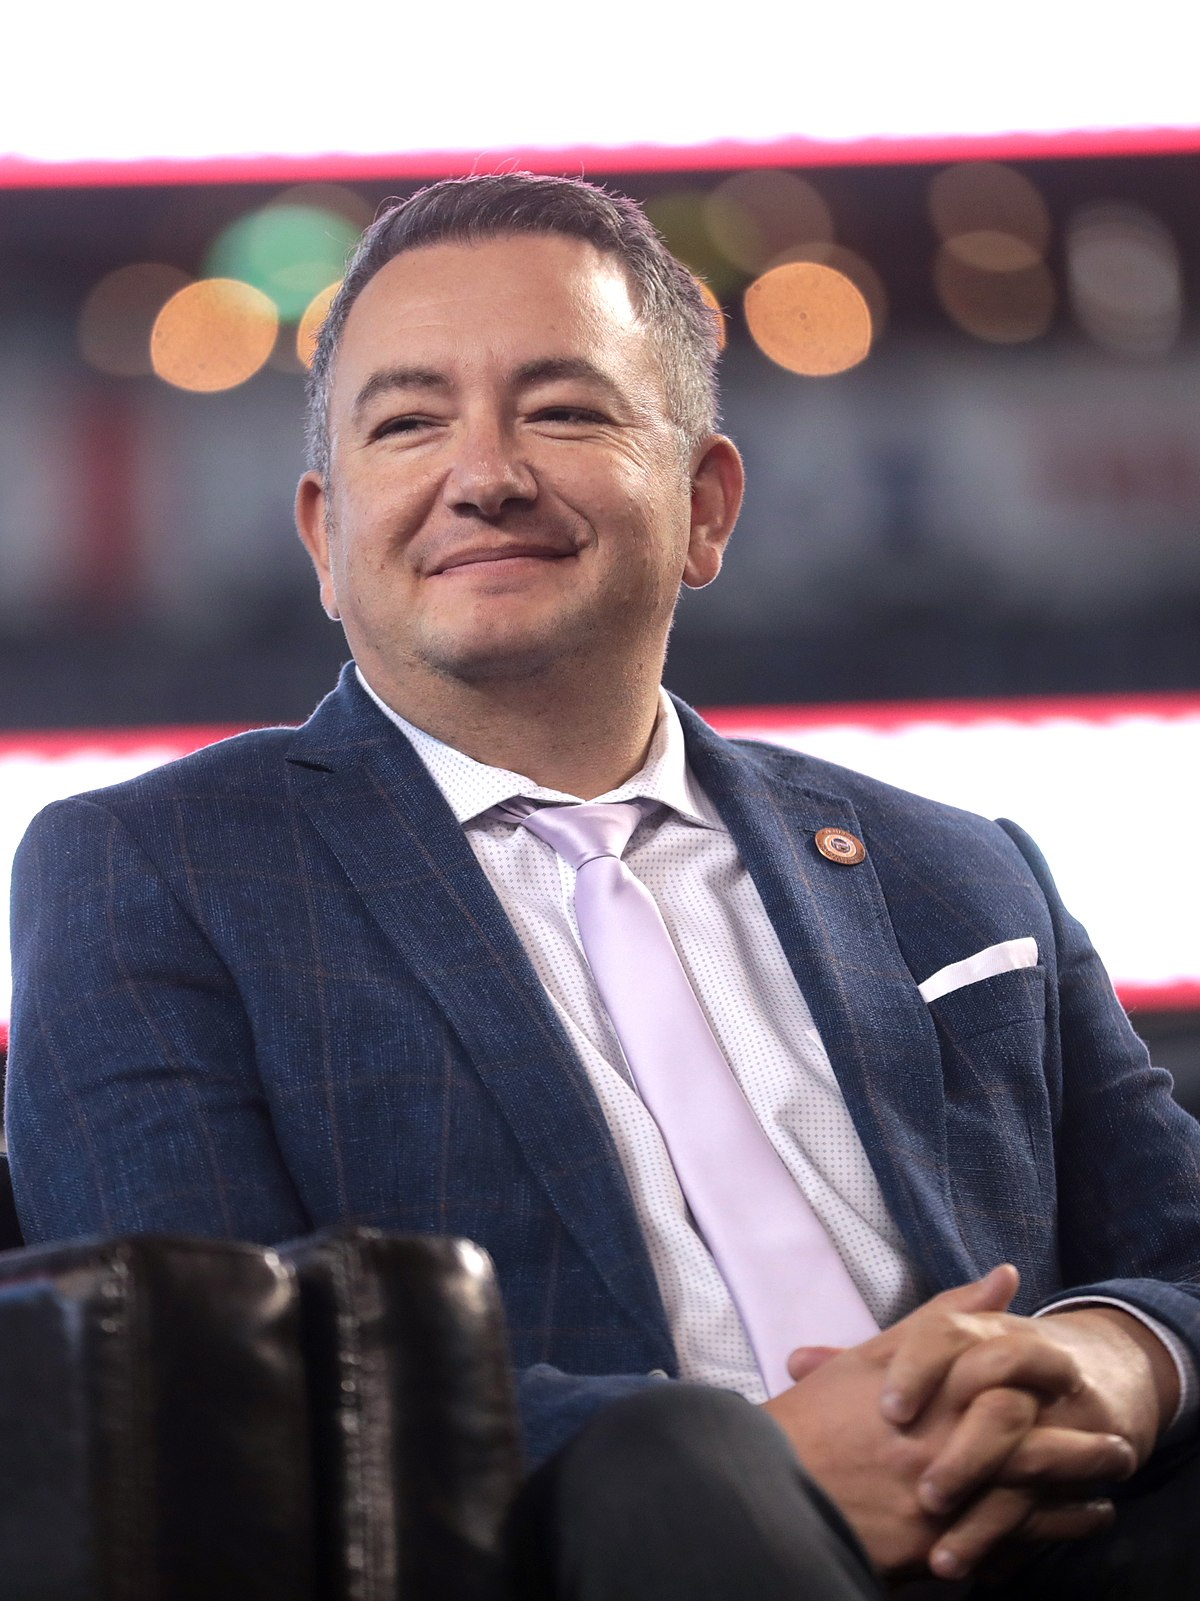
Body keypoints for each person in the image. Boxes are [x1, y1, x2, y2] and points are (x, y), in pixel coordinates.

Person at [8, 174, 1200, 1599]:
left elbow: (1181, 1248)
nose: (486, 474)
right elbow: (201, 1390)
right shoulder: (154, 872)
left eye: (564, 411)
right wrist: (747, 1469)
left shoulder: (959, 867)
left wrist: (1118, 1358)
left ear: (705, 505)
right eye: (408, 424)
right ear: (325, 538)